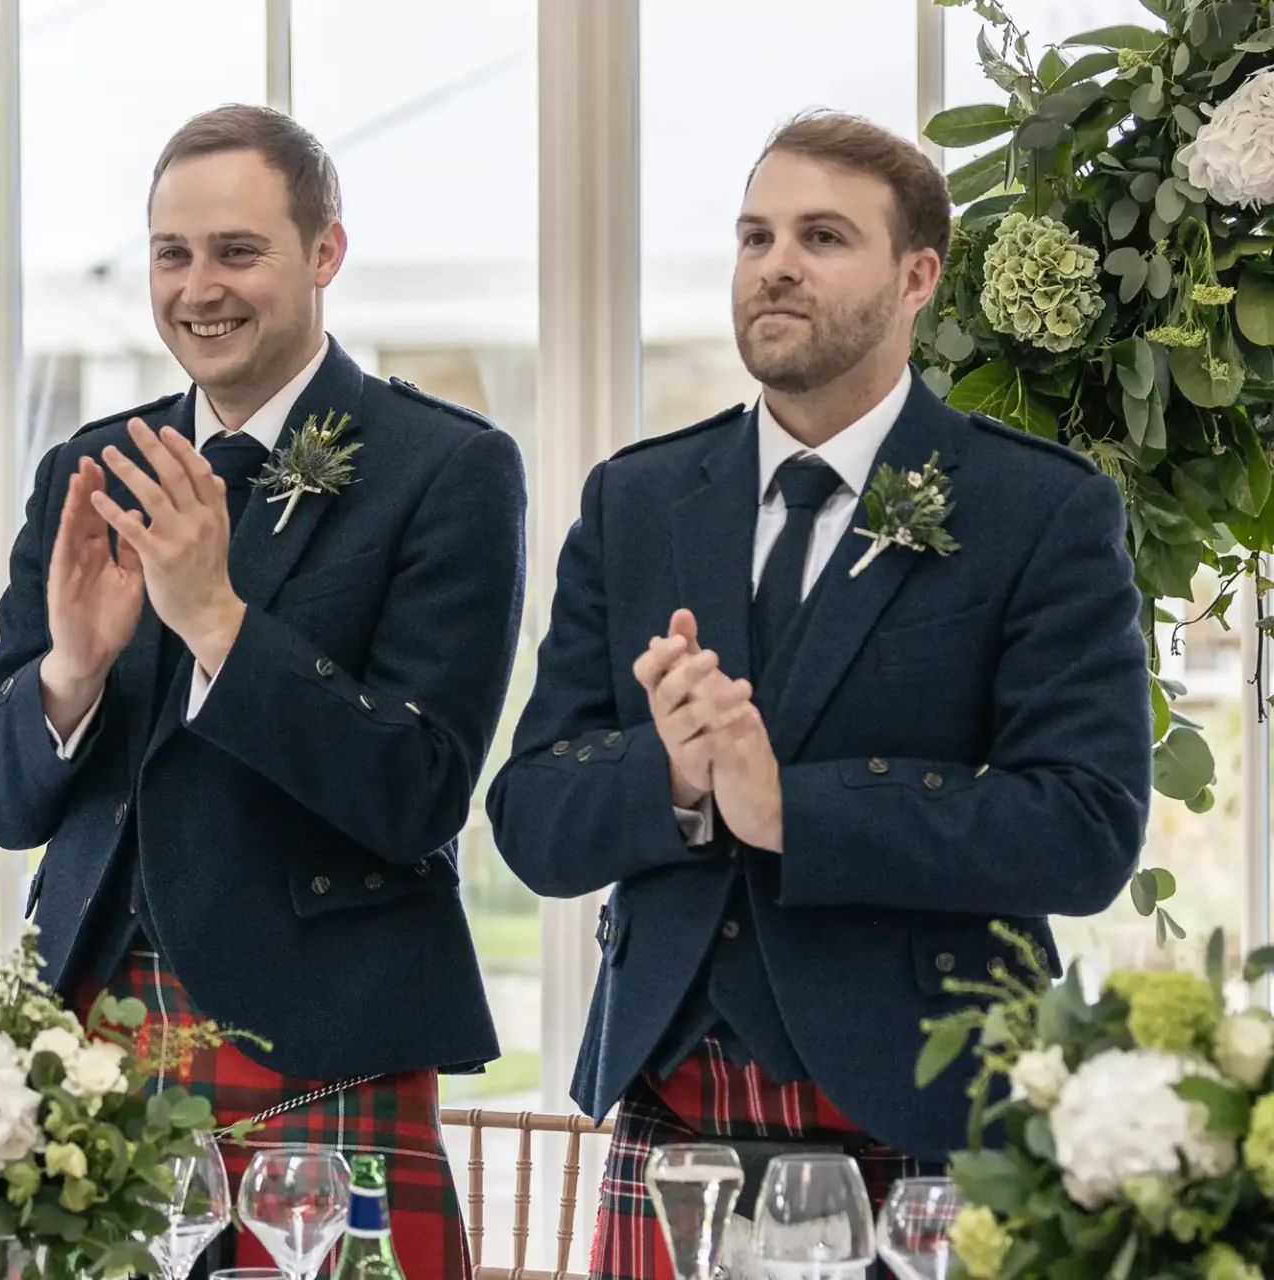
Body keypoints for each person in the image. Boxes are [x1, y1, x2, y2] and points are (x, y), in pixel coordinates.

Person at [486, 112, 1152, 1280]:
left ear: (917, 277)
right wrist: (679, 776)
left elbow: (1085, 827)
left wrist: (790, 806)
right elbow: (532, 813)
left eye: (822, 235)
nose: (775, 263)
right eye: (755, 235)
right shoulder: (637, 500)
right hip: (672, 1115)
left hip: (928, 1125)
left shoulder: (1035, 509)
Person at [0, 103, 526, 1277]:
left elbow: (416, 791)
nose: (198, 288)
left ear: (325, 255)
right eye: (173, 254)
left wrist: (217, 621)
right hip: (89, 1045)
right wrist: (72, 668)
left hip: (321, 1048)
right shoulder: (91, 466)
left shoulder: (446, 468)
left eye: (237, 251)